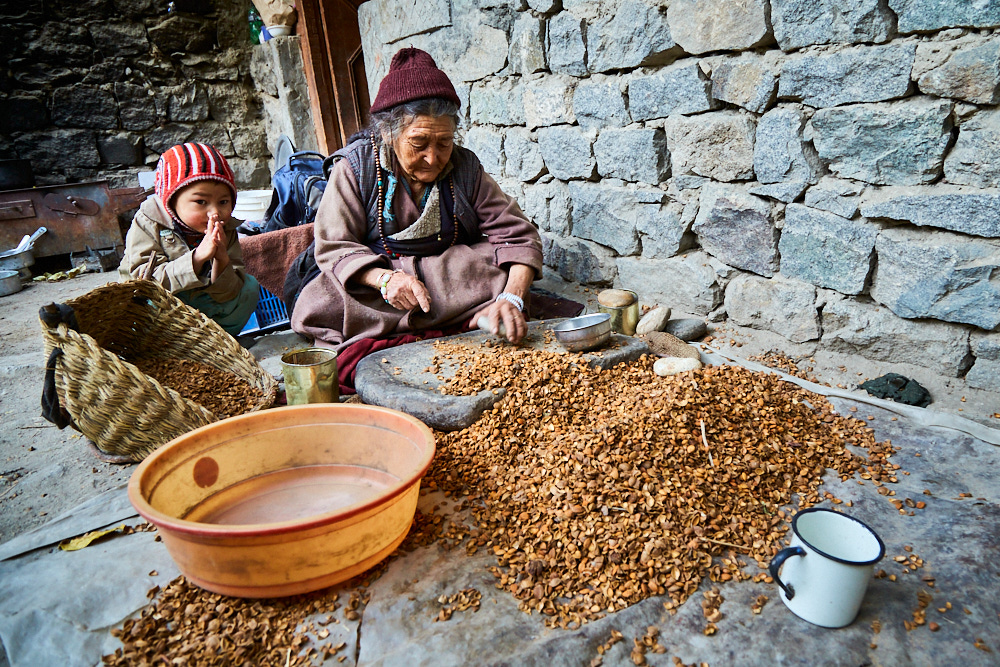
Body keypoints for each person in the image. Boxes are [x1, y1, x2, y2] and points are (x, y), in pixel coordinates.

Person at [290, 47, 543, 354]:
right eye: (419, 143)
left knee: (497, 266)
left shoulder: (465, 167)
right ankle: (460, 317)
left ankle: (481, 309)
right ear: (387, 132)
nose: (433, 158)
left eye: (444, 143)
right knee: (323, 301)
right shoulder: (356, 169)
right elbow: (335, 246)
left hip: (445, 275)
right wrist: (385, 280)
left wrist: (512, 297)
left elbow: (517, 234)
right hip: (377, 288)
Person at [119, 143, 259, 336]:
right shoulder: (148, 222)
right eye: (201, 202)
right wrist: (198, 258)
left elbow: (229, 293)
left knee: (249, 288)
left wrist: (221, 260)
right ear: (172, 200)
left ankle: (217, 341)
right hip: (162, 309)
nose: (214, 212)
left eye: (223, 202)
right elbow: (143, 285)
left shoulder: (226, 228)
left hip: (201, 303)